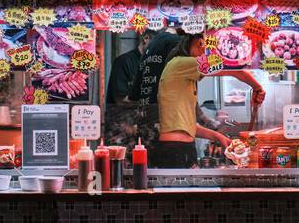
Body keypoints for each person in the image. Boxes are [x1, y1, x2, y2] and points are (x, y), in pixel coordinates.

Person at [153, 33, 266, 169]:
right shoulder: (179, 63)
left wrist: (218, 137)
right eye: (203, 45)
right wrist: (257, 87)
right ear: (196, 42)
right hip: (175, 150)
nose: (204, 52)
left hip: (181, 149)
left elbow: (187, 128)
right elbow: (230, 67)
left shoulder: (182, 76)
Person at [106, 30, 150, 105]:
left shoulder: (152, 61)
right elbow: (120, 99)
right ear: (146, 38)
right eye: (157, 45)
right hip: (123, 114)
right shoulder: (123, 61)